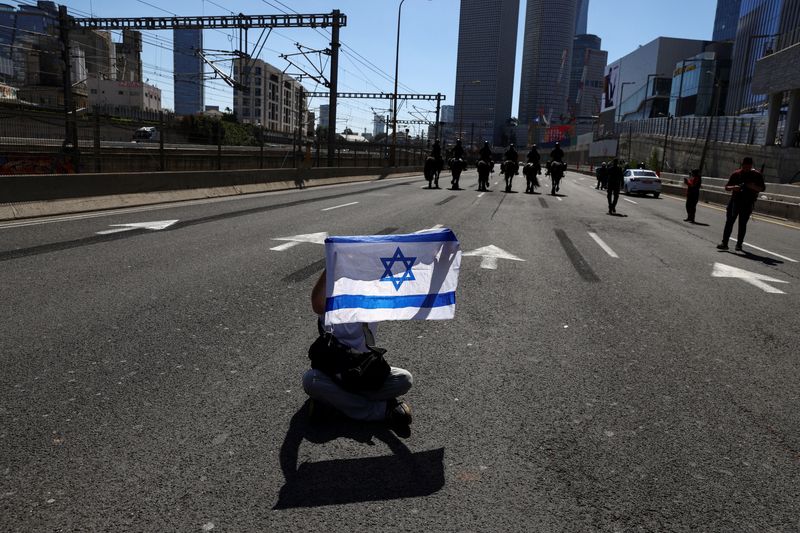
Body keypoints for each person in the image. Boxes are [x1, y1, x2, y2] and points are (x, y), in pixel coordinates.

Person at [303, 270, 413, 433]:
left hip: (364, 372)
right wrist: (332, 264)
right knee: (310, 380)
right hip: (335, 372)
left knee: (404, 379)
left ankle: (336, 404)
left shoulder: (371, 302)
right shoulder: (332, 304)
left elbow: (399, 288)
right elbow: (316, 303)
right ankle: (381, 411)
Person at [717, 157, 766, 251]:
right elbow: (727, 187)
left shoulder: (757, 175)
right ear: (742, 165)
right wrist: (734, 188)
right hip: (735, 201)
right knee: (729, 223)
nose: (746, 168)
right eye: (744, 166)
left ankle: (739, 245)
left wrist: (752, 186)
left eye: (748, 166)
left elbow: (762, 189)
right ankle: (724, 243)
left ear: (751, 166)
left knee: (742, 224)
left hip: (747, 203)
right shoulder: (736, 174)